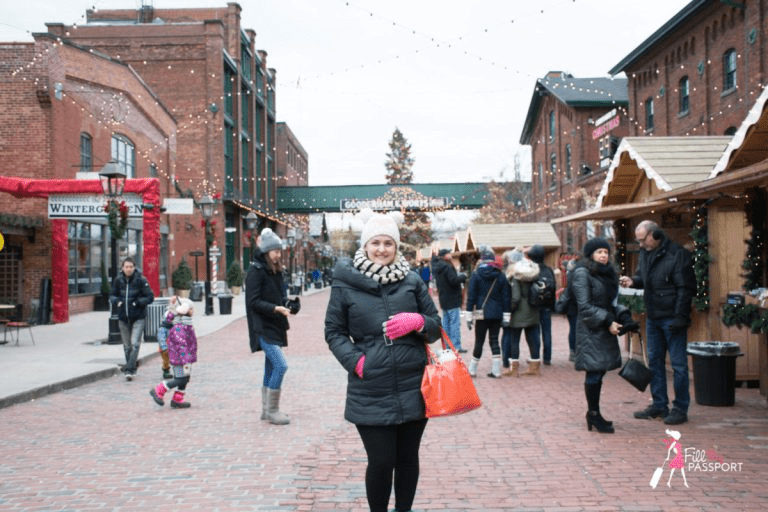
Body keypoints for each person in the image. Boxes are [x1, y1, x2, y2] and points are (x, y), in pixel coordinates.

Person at [325, 213, 441, 512]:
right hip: (371, 387)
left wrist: (418, 321)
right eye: (375, 242)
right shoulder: (345, 283)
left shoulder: (412, 281)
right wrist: (358, 363)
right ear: (365, 245)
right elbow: (334, 332)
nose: (381, 249)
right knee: (381, 461)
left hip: (413, 384)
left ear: (396, 246)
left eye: (388, 243)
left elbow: (435, 327)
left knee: (407, 458)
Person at [620, 220, 695, 426]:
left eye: (643, 240)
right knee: (655, 362)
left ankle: (680, 408)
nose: (640, 245)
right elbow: (645, 277)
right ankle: (660, 405)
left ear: (654, 235)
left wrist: (680, 318)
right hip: (654, 316)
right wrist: (634, 281)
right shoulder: (646, 253)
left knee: (679, 365)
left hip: (672, 317)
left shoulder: (678, 255)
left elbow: (685, 288)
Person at [572, 238, 628, 434]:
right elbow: (585, 307)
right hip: (591, 330)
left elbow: (611, 301)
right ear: (590, 255)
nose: (603, 255)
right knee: (594, 371)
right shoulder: (582, 273)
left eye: (605, 252)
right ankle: (593, 415)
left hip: (604, 327)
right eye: (599, 252)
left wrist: (622, 315)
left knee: (600, 370)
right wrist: (607, 320)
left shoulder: (607, 273)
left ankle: (594, 414)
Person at [246, 228, 298, 425]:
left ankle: (266, 411)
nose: (278, 254)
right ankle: (273, 410)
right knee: (280, 365)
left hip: (276, 325)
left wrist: (289, 305)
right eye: (275, 251)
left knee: (270, 368)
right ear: (266, 251)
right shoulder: (255, 271)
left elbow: (279, 297)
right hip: (262, 326)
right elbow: (253, 302)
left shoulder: (276, 271)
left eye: (279, 251)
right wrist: (275, 308)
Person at [465, 246, 510, 378]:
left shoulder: (476, 274)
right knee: (494, 340)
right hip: (497, 313)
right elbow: (506, 297)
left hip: (481, 312)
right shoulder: (501, 276)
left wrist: (469, 316)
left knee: (479, 340)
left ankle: (472, 369)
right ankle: (496, 370)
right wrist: (506, 317)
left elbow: (471, 297)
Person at [110, 257, 154, 381]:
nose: (128, 269)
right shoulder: (118, 280)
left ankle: (129, 369)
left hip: (138, 317)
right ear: (122, 268)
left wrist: (138, 302)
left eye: (131, 267)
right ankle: (132, 367)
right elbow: (112, 295)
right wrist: (117, 301)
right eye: (126, 267)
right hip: (123, 317)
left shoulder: (140, 280)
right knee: (127, 346)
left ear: (134, 268)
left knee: (134, 343)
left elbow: (150, 297)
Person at [149, 296, 198, 408]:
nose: (192, 311)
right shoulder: (180, 328)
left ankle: (178, 399)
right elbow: (181, 345)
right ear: (184, 311)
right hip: (181, 358)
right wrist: (186, 358)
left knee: (185, 378)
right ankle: (159, 390)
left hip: (186, 357)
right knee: (180, 379)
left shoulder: (186, 326)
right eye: (190, 309)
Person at [501, 249, 542, 377]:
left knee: (515, 340)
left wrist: (510, 309)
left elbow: (516, 297)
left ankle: (514, 369)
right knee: (533, 340)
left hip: (518, 312)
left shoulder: (515, 276)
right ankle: (534, 367)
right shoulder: (534, 272)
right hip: (533, 309)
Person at [431, 248, 467, 352]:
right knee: (455, 323)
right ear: (445, 256)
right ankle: (456, 346)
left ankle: (447, 345)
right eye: (449, 253)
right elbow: (453, 281)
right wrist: (463, 277)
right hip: (452, 298)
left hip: (443, 298)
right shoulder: (447, 266)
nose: (451, 255)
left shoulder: (437, 267)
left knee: (446, 323)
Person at [526, 244, 556, 365]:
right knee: (547, 331)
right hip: (547, 304)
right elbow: (553, 288)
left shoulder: (531, 270)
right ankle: (547, 357)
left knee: (535, 332)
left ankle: (536, 356)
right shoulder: (549, 270)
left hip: (534, 305)